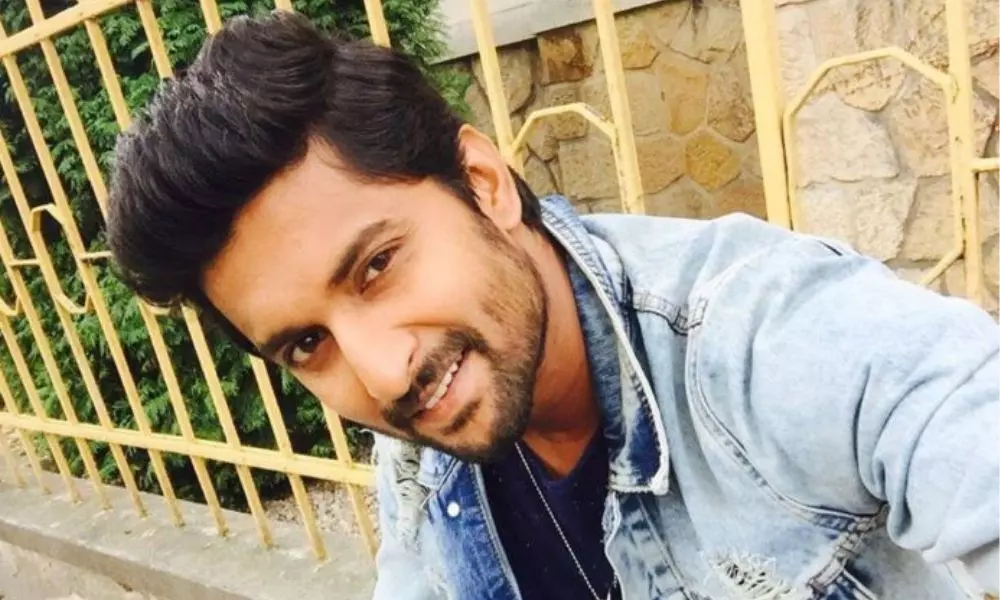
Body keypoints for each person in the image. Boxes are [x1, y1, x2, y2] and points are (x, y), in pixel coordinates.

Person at [105, 11, 999, 600]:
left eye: (376, 267)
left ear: (484, 183)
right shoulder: (420, 444)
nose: (381, 373)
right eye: (307, 343)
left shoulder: (752, 334)